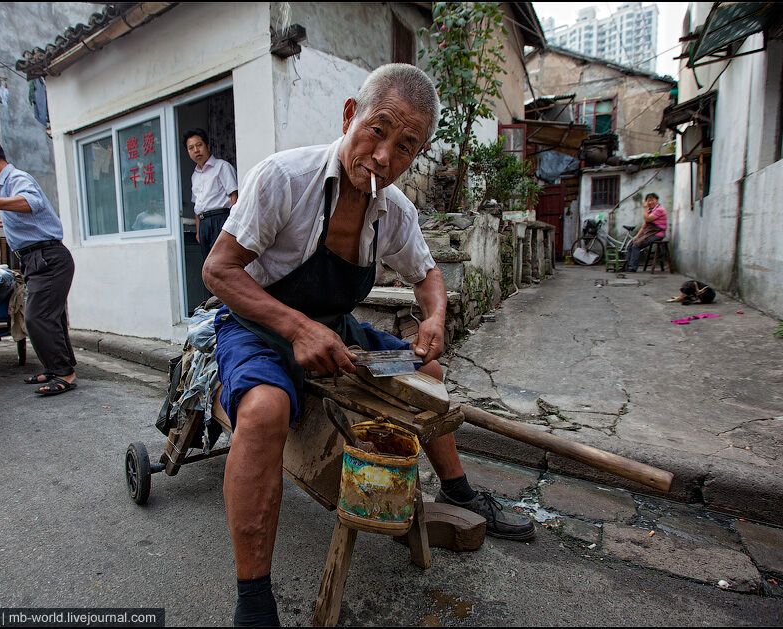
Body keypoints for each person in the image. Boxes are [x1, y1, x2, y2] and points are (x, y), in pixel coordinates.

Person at [203, 64, 536, 627]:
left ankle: (458, 491)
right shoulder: (284, 178)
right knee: (264, 411)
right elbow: (219, 271)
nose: (383, 156)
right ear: (349, 116)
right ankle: (254, 599)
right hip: (255, 325)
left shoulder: (395, 212)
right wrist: (297, 329)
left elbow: (428, 276)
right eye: (377, 130)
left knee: (426, 374)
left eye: (405, 146)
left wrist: (435, 318)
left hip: (335, 328)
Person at [0, 132, 78, 397]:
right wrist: (11, 222)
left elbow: (31, 202)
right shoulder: (3, 186)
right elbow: (29, 211)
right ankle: (57, 368)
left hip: (49, 259)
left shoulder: (16, 179)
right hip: (37, 259)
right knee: (50, 317)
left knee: (37, 318)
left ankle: (65, 374)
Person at [185, 128, 238, 259]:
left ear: (207, 146)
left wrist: (233, 226)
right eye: (191, 148)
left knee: (223, 261)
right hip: (204, 224)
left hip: (221, 220)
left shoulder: (222, 166)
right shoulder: (194, 176)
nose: (196, 150)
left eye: (199, 145)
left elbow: (234, 196)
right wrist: (198, 231)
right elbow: (197, 206)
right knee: (208, 263)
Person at [626, 192, 667, 272]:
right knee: (631, 244)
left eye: (652, 200)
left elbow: (647, 219)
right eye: (648, 200)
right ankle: (628, 265)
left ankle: (632, 268)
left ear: (657, 200)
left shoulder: (659, 210)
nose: (650, 202)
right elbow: (644, 226)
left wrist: (645, 209)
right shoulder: (651, 211)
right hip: (650, 233)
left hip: (657, 234)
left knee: (636, 246)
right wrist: (636, 237)